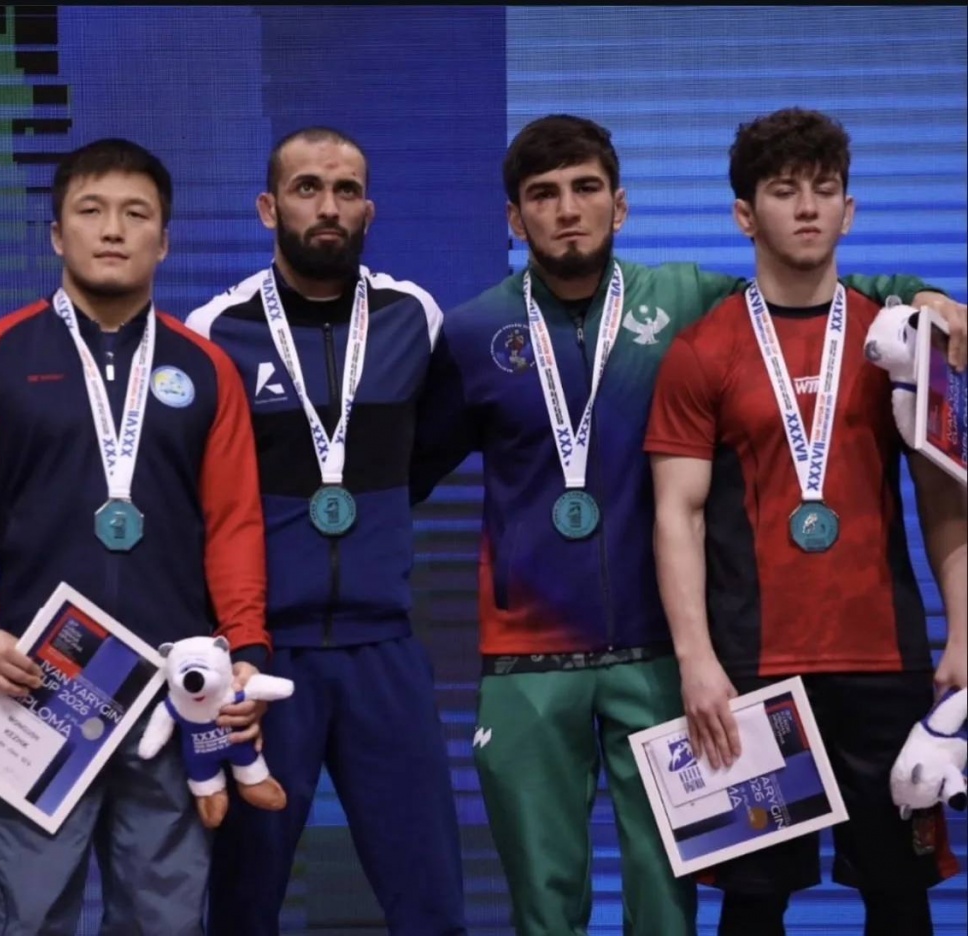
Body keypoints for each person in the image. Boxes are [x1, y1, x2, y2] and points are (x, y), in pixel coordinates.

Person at [410, 113, 966, 936]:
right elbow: (404, 479)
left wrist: (922, 295)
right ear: (515, 218)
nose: (568, 209)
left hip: (770, 663)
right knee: (654, 905)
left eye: (586, 188)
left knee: (826, 899)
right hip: (636, 665)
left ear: (621, 205)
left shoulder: (725, 310)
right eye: (544, 194)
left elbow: (937, 482)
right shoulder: (493, 332)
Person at [645, 107, 966, 936]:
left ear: (849, 211)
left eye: (825, 189)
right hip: (752, 674)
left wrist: (963, 635)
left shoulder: (900, 343)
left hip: (883, 662)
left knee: (900, 898)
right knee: (753, 906)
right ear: (745, 215)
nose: (808, 206)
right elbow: (677, 513)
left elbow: (945, 500)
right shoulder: (702, 350)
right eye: (784, 191)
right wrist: (697, 662)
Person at [0, 138, 270, 936]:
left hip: (174, 684)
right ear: (55, 234)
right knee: (30, 918)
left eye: (136, 214)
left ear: (163, 241)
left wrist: (246, 649)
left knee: (164, 921)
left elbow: (234, 524)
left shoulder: (206, 368)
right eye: (90, 211)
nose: (112, 230)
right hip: (40, 683)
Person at [185, 127, 466, 936]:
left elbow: (426, 452)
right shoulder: (217, 329)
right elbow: (202, 494)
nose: (329, 207)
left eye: (347, 191)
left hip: (385, 651)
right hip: (265, 659)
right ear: (268, 207)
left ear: (369, 210)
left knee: (432, 905)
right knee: (242, 905)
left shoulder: (413, 317)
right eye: (307, 188)